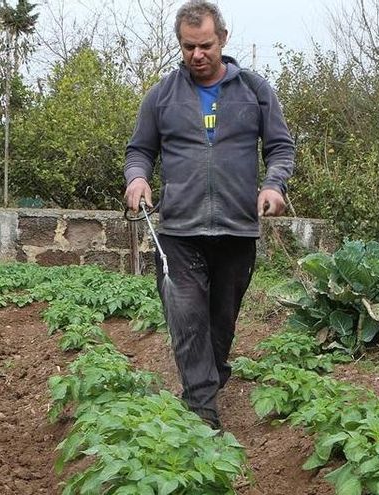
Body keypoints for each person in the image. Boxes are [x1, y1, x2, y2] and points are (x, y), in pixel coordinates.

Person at [123, 0, 295, 429]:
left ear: (223, 39)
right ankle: (203, 413)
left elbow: (280, 147)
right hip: (179, 229)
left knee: (221, 322)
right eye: (187, 47)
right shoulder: (162, 95)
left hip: (237, 229)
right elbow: (140, 150)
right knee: (186, 318)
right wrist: (137, 179)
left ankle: (212, 375)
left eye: (205, 45)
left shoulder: (255, 91)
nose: (197, 55)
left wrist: (274, 185)